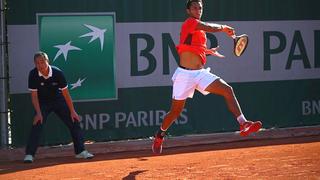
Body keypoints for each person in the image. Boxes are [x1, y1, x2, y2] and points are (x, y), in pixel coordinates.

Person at [152, 0, 262, 154]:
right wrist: (223, 28)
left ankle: (243, 123)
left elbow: (196, 48)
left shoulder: (200, 33)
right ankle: (160, 134)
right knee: (175, 111)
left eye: (200, 8)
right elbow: (209, 27)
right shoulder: (190, 23)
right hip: (184, 75)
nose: (198, 10)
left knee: (227, 90)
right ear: (188, 11)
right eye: (195, 8)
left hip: (200, 73)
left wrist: (208, 52)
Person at [23, 51, 94, 163]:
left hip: (58, 100)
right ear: (35, 64)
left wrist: (72, 111)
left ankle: (80, 152)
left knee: (74, 121)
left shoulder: (57, 73)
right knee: (37, 123)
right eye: (37, 63)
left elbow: (66, 94)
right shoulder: (33, 74)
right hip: (42, 102)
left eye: (42, 62)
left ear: (47, 61)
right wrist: (38, 112)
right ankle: (29, 154)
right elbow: (34, 96)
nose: (40, 65)